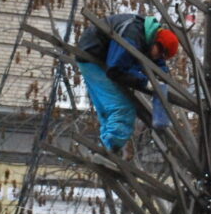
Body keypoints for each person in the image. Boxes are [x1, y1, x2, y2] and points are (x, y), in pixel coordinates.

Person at [75, 14, 179, 154]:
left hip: (96, 57)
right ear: (157, 41)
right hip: (94, 59)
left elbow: (158, 68)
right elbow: (116, 70)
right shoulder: (132, 35)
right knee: (122, 109)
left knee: (109, 111)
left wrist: (163, 82)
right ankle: (111, 152)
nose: (158, 57)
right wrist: (144, 82)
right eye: (161, 53)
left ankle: (106, 149)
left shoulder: (148, 36)